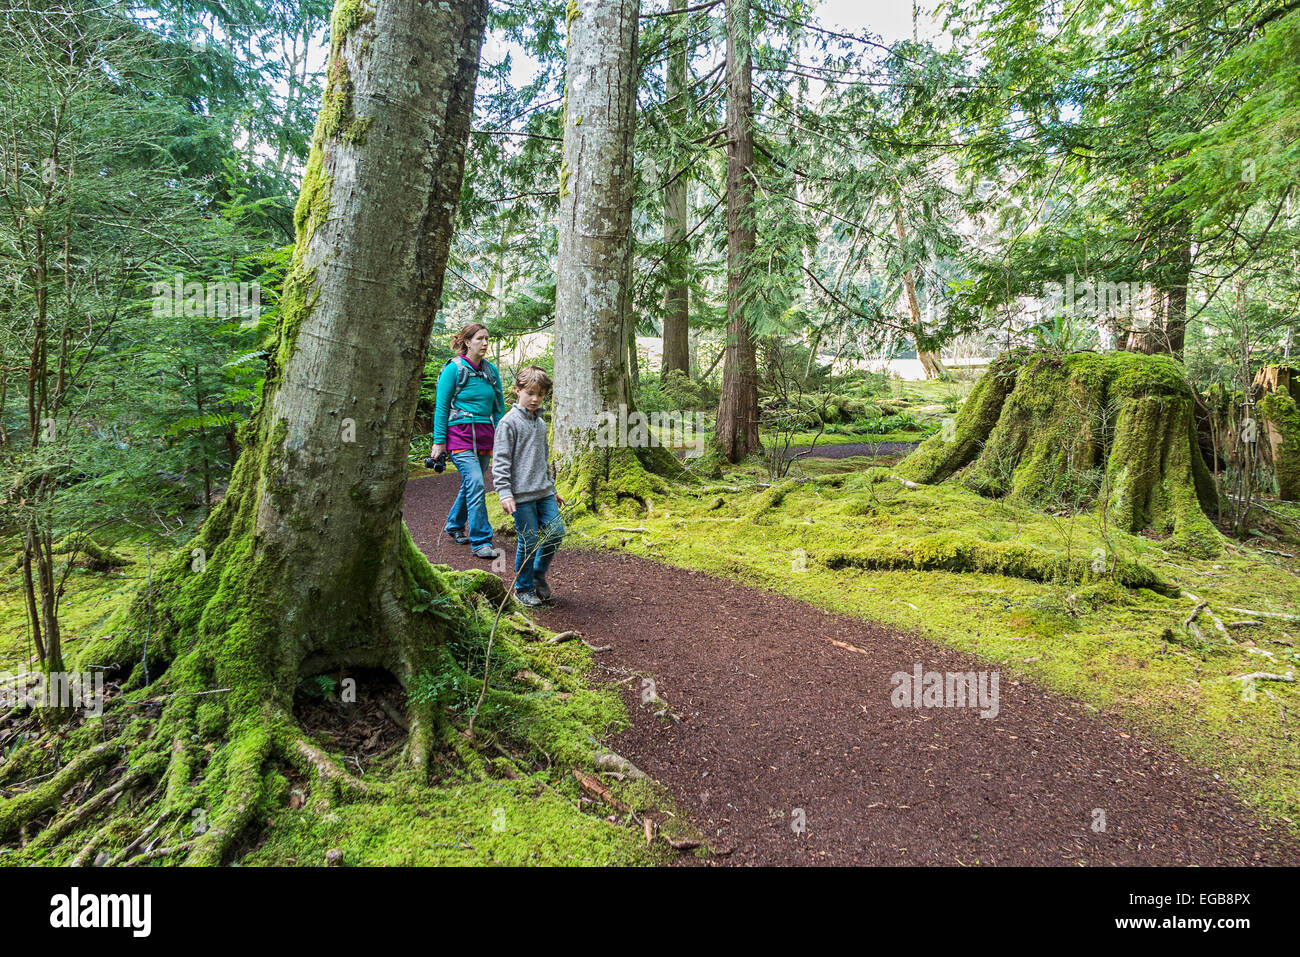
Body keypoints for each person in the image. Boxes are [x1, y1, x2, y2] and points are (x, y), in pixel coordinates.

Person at [492, 366, 565, 607]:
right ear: (517, 390)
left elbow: (543, 459)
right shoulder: (508, 424)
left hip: (543, 492)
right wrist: (504, 493)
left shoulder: (541, 423)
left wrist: (552, 489)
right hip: (520, 496)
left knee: (556, 533)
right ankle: (522, 588)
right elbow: (500, 462)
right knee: (529, 540)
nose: (535, 399)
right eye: (530, 393)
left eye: (541, 394)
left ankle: (537, 573)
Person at [431, 322, 505, 559]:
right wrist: (439, 442)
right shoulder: (454, 368)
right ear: (466, 342)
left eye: (487, 339)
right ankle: (481, 540)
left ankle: (454, 525)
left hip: (484, 436)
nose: (485, 343)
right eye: (479, 339)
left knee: (471, 484)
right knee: (475, 482)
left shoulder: (491, 371)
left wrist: (503, 436)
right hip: (459, 435)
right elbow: (442, 407)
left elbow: (499, 408)